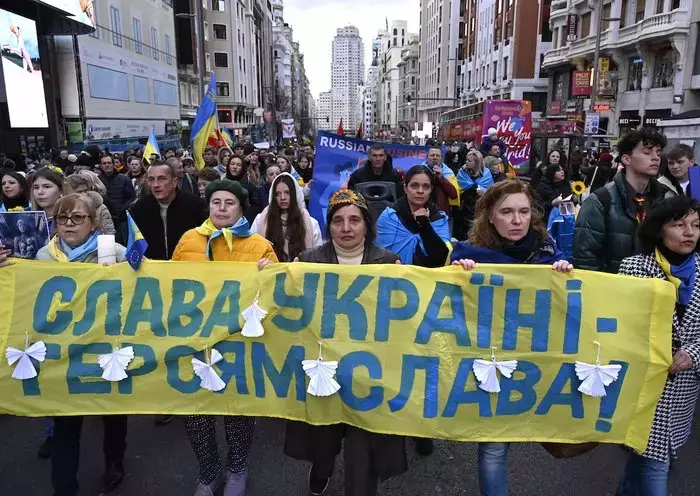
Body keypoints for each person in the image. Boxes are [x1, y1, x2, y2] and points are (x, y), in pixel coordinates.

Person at [450, 179, 573, 496]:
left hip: (536, 362)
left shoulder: (549, 253)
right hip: (492, 361)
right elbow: (450, 311)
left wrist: (564, 276)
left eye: (524, 211)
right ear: (490, 216)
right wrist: (458, 274)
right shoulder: (470, 256)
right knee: (494, 446)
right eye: (507, 212)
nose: (517, 220)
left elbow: (566, 309)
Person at [284, 189, 407, 496]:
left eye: (354, 220)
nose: (346, 227)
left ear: (366, 224)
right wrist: (269, 275)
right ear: (330, 227)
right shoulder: (309, 260)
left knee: (363, 447)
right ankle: (323, 467)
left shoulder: (388, 262)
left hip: (369, 371)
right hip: (324, 365)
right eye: (338, 221)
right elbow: (285, 306)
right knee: (324, 436)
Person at [171, 179, 277, 495]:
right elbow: (168, 283)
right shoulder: (189, 239)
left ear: (241, 207)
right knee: (197, 412)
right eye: (216, 201)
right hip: (196, 339)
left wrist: (270, 271)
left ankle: (236, 469)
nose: (221, 208)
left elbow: (276, 294)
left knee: (237, 409)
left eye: (229, 202)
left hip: (239, 342)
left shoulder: (259, 245)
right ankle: (208, 472)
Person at [32, 193, 129, 496]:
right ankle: (64, 486)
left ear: (93, 223)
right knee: (65, 422)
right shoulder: (42, 257)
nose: (70, 224)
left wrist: (140, 263)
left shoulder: (113, 251)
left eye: (78, 218)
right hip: (63, 354)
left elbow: (146, 279)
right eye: (63, 218)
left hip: (106, 346)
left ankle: (114, 462)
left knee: (112, 413)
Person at [617, 196, 700, 495]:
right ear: (659, 231)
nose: (689, 232)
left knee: (646, 457)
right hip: (641, 386)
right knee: (655, 462)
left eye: (695, 225)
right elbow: (618, 323)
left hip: (682, 390)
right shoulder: (634, 268)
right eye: (679, 225)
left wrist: (693, 352)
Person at [574, 129, 668, 273]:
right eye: (647, 152)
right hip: (614, 288)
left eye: (658, 153)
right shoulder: (600, 201)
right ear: (626, 159)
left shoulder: (663, 198)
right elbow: (585, 259)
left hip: (653, 287)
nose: (655, 157)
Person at [376, 165, 450, 268]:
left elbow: (442, 259)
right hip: (393, 279)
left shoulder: (438, 218)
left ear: (431, 190)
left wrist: (424, 224)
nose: (420, 191)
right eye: (414, 185)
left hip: (427, 279)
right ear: (405, 188)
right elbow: (377, 257)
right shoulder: (389, 217)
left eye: (426, 186)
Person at [251, 173, 322, 261]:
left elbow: (318, 258)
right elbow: (252, 253)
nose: (283, 197)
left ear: (294, 194)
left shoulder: (311, 223)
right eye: (277, 194)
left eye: (287, 193)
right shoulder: (260, 220)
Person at [454, 150, 494, 241]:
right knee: (461, 236)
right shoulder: (462, 172)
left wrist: (484, 192)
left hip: (479, 209)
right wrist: (475, 188)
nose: (466, 162)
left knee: (477, 235)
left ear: (477, 163)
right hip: (463, 208)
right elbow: (457, 188)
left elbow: (491, 191)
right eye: (466, 160)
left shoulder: (486, 173)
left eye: (469, 161)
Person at [98, 154, 135, 245]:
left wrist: (122, 210)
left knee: (125, 244)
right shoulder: (98, 181)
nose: (107, 165)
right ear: (101, 165)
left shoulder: (124, 178)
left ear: (113, 164)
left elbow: (132, 197)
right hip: (105, 219)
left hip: (122, 219)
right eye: (104, 163)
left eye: (109, 163)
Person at [32, 166, 71, 236]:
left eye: (47, 186)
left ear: (61, 190)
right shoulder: (28, 219)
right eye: (36, 187)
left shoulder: (72, 220)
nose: (40, 192)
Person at [424, 147, 459, 215]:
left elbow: (454, 195)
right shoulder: (419, 171)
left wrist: (441, 178)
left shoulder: (448, 172)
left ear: (441, 159)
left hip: (441, 213)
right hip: (423, 211)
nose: (435, 158)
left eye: (438, 155)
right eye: (432, 155)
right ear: (427, 158)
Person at [226, 155, 260, 221]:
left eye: (238, 165)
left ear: (242, 168)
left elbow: (256, 206)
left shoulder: (250, 185)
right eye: (232, 164)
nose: (235, 167)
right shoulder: (221, 182)